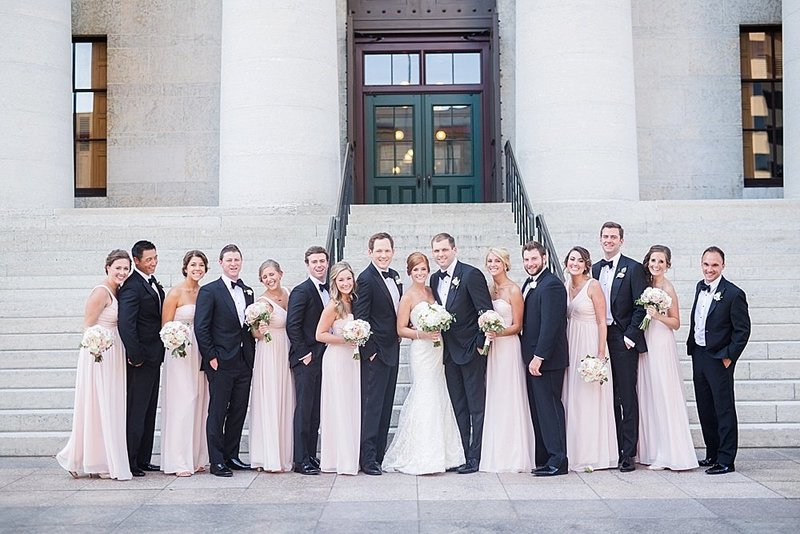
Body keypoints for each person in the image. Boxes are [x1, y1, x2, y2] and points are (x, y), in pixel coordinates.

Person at [383, 252, 464, 474]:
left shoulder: (431, 291)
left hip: (438, 349)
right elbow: (400, 329)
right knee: (425, 392)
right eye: (415, 270)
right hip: (421, 350)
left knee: (439, 392)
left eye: (423, 269)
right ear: (409, 272)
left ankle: (445, 453)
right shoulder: (407, 296)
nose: (420, 273)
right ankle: (423, 453)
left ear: (428, 271)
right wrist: (422, 334)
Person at [57, 250, 133, 480]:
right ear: (107, 267)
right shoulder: (101, 292)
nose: (122, 272)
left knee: (109, 406)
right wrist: (98, 346)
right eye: (118, 267)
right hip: (98, 354)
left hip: (114, 352)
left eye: (125, 268)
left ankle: (89, 457)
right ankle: (96, 460)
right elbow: (88, 325)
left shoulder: (119, 291)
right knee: (98, 405)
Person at [429, 233, 493, 474]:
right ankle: (463, 454)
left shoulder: (471, 274)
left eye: (444, 250)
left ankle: (476, 457)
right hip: (447, 353)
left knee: (476, 406)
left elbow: (485, 311)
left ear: (454, 249)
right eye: (436, 251)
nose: (441, 255)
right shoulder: (434, 279)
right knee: (458, 405)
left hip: (471, 351)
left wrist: (479, 344)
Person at [688, 246, 751, 475]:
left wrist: (728, 356)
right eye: (706, 264)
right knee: (705, 407)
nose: (710, 269)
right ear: (701, 264)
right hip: (700, 355)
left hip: (719, 358)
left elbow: (742, 331)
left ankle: (726, 459)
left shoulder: (734, 294)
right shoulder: (699, 287)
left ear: (723, 265)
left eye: (715, 265)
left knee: (723, 409)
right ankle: (712, 453)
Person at [591, 222, 647, 472]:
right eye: (605, 236)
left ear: (621, 241)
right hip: (600, 336)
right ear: (600, 239)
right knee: (606, 395)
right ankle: (611, 448)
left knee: (626, 394)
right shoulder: (593, 269)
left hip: (622, 338)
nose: (609, 240)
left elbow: (641, 305)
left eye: (614, 237)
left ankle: (628, 453)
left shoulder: (633, 268)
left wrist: (630, 336)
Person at [195, 244, 255, 477]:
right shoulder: (210, 291)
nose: (233, 263)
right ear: (221, 263)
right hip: (220, 361)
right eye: (229, 260)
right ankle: (217, 460)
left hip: (244, 360)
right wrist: (211, 356)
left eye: (237, 260)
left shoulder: (248, 291)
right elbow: (202, 327)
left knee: (239, 410)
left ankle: (232, 455)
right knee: (218, 411)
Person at [637, 245, 697, 471]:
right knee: (649, 393)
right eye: (653, 260)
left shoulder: (668, 288)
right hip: (647, 340)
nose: (656, 265)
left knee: (664, 392)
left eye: (661, 261)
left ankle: (670, 452)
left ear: (667, 264)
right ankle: (653, 450)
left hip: (661, 340)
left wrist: (658, 315)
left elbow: (677, 323)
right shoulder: (647, 285)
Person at [480, 247, 536, 473]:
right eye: (490, 261)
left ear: (505, 263)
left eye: (497, 261)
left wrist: (497, 332)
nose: (493, 264)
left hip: (509, 347)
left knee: (509, 396)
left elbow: (518, 325)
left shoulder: (514, 289)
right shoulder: (488, 289)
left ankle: (514, 455)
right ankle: (496, 454)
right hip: (492, 349)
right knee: (494, 396)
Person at [562, 246, 617, 471]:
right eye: (571, 259)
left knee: (590, 399)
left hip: (590, 343)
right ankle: (573, 452)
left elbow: (602, 321)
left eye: (579, 260)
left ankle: (593, 455)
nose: (575, 263)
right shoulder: (566, 285)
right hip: (571, 341)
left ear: (587, 264)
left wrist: (600, 355)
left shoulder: (593, 286)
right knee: (572, 397)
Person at [160, 250, 211, 477]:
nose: (197, 269)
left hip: (201, 351)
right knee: (184, 401)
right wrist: (176, 338)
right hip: (179, 353)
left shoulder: (205, 292)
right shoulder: (175, 293)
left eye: (201, 265)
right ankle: (178, 460)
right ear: (185, 267)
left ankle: (196, 457)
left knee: (200, 400)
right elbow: (165, 327)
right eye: (193, 265)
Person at [354, 232, 402, 476]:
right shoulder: (365, 279)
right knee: (372, 407)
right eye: (379, 251)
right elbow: (361, 318)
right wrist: (369, 352)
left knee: (385, 407)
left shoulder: (394, 276)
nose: (383, 255)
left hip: (392, 349)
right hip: (376, 354)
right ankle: (368, 457)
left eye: (387, 251)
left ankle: (380, 454)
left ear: (393, 252)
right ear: (369, 252)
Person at [520, 241, 569, 476]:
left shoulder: (552, 285)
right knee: (539, 410)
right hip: (531, 358)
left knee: (550, 409)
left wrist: (539, 357)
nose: (530, 264)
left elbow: (551, 325)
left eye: (534, 259)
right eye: (527, 260)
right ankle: (544, 457)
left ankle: (558, 460)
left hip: (547, 361)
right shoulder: (530, 284)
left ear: (544, 258)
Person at [118, 240, 164, 477]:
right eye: (149, 259)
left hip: (155, 357)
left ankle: (144, 458)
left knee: (148, 409)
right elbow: (126, 324)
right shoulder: (131, 286)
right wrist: (135, 356)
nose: (153, 262)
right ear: (136, 261)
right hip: (141, 359)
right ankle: (131, 459)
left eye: (155, 258)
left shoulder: (151, 282)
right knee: (136, 409)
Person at [286, 246, 329, 475]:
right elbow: (292, 325)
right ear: (307, 264)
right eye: (314, 262)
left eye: (322, 261)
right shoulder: (301, 291)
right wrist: (304, 354)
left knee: (315, 411)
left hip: (324, 358)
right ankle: (300, 459)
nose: (319, 265)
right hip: (306, 360)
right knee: (304, 409)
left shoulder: (329, 290)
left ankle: (311, 455)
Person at [249, 259, 295, 472]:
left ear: (280, 273)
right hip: (269, 351)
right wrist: (261, 330)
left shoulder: (288, 293)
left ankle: (285, 454)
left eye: (272, 274)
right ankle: (267, 456)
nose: (269, 279)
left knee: (285, 399)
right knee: (270, 399)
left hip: (285, 348)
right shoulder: (261, 302)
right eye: (265, 277)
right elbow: (255, 333)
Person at [316, 261, 361, 475]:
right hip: (336, 359)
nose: (346, 283)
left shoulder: (354, 302)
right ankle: (339, 459)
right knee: (339, 406)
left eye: (348, 279)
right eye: (341, 279)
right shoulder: (333, 305)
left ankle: (351, 456)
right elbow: (320, 334)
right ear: (334, 282)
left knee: (350, 405)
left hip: (352, 359)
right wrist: (344, 339)